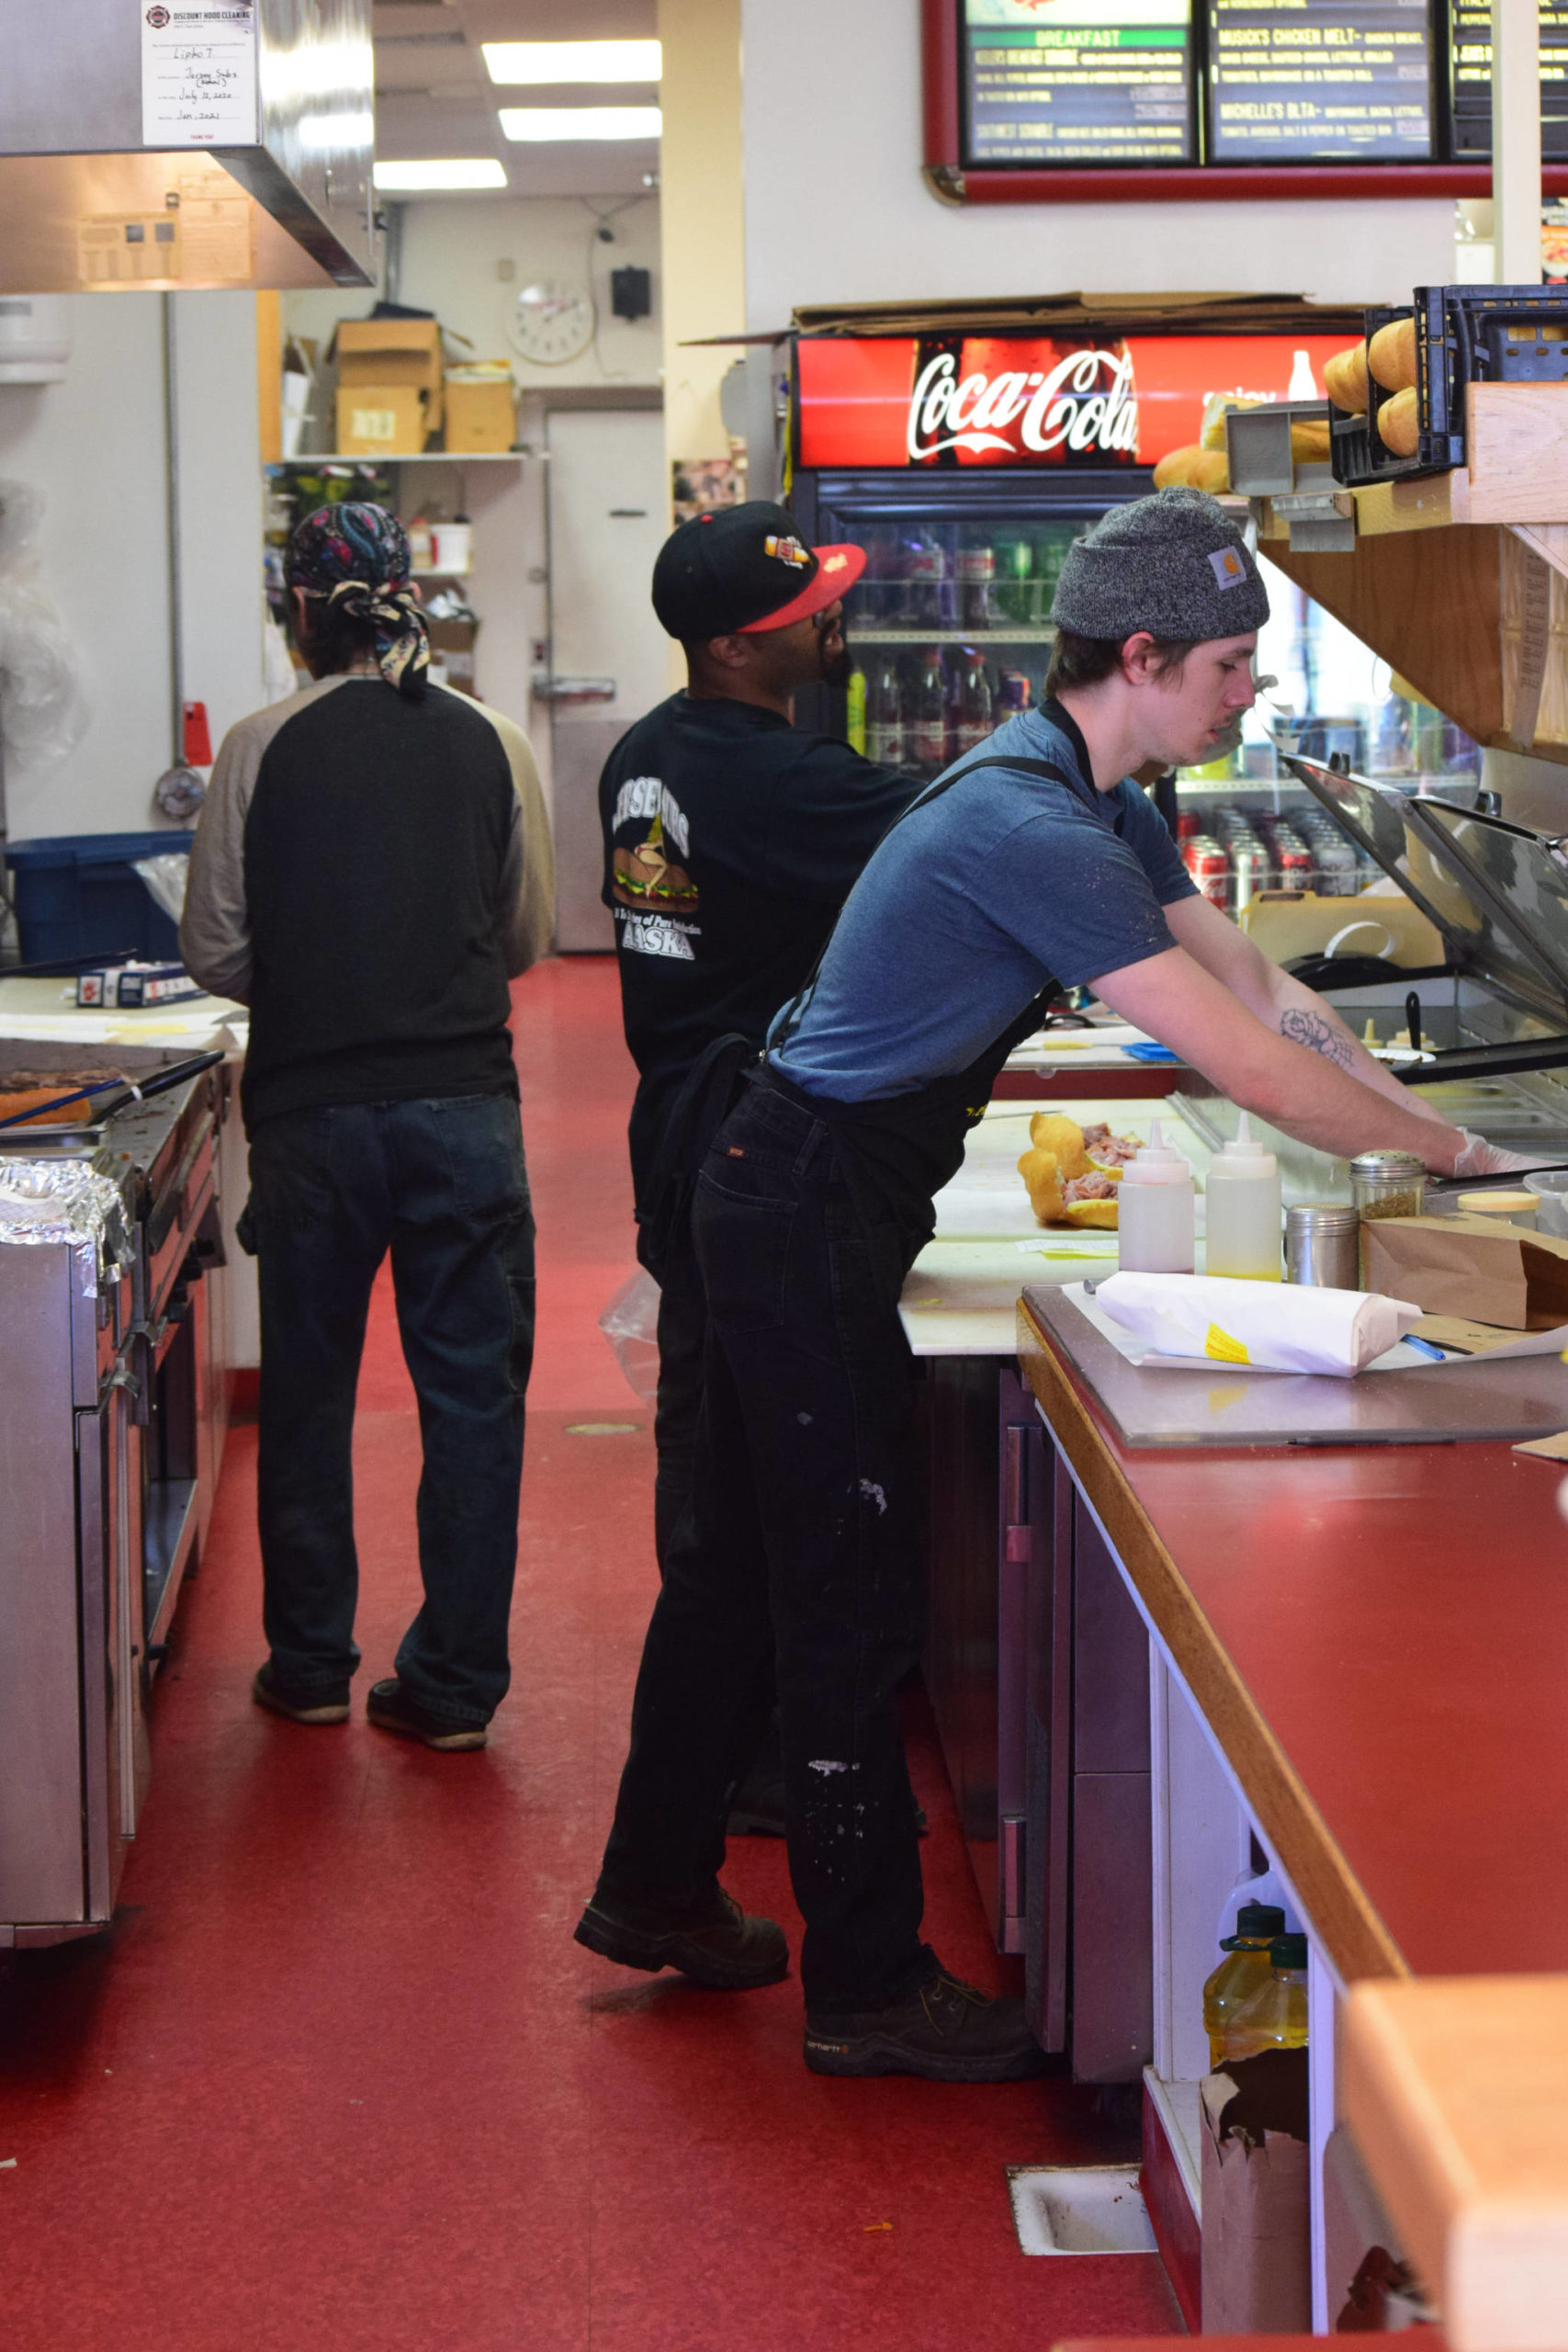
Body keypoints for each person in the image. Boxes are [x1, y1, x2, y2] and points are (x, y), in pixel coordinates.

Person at [576, 488, 1528, 2078]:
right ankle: (866, 1988)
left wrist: (1429, 1124)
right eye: (1231, 662)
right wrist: (1445, 1159)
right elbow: (1238, 1064)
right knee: (841, 1595)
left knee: (744, 1559)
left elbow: (1260, 989)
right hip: (802, 1193)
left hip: (803, 1185)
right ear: (1142, 657)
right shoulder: (1028, 821)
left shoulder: (1101, 798)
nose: (1252, 691)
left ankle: (653, 1887)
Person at [182, 503, 554, 1752]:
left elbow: (217, 950)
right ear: (407, 599)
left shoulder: (254, 747)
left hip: (309, 1118)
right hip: (465, 1113)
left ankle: (308, 1665)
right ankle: (451, 1690)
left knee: (307, 1392)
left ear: (297, 611)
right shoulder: (491, 740)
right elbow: (521, 940)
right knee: (470, 1400)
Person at [597, 503, 914, 1835]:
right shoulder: (781, 779)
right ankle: (767, 1745)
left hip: (675, 1124)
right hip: (753, 1145)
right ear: (733, 646)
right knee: (767, 1458)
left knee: (711, 1431)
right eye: (803, 613)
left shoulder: (646, 753)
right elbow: (961, 836)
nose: (832, 622)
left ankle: (732, 1732)